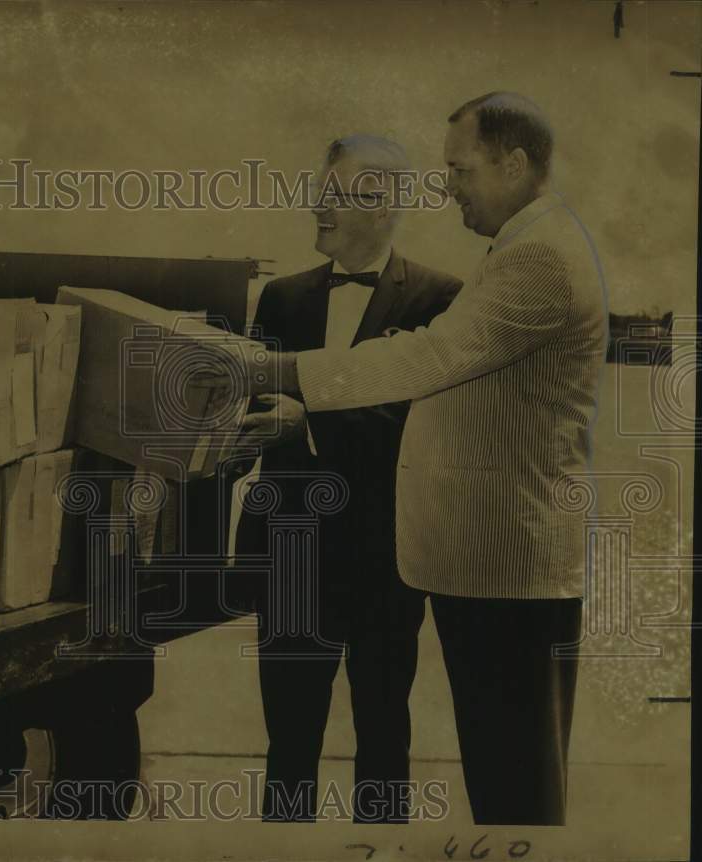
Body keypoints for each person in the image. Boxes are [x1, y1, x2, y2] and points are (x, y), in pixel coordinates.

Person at [230, 93, 608, 825]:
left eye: (460, 169)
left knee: (507, 787)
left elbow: (425, 361)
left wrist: (280, 377)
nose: (451, 185)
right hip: (440, 563)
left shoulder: (532, 257)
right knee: (498, 784)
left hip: (493, 567)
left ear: (515, 163)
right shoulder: (521, 247)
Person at [230, 135, 461, 822]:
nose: (317, 207)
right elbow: (250, 415)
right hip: (290, 553)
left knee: (383, 732)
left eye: (335, 194)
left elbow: (420, 425)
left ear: (384, 204)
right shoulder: (279, 298)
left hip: (383, 555)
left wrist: (306, 425)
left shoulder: (441, 297)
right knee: (289, 739)